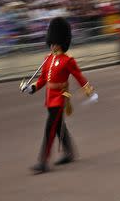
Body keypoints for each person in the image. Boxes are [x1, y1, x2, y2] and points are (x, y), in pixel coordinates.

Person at [22, 17, 97, 174]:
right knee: (58, 127)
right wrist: (32, 88)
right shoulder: (47, 59)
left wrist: (88, 89)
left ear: (60, 41)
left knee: (49, 128)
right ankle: (69, 152)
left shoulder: (67, 60)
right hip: (50, 97)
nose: (52, 44)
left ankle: (43, 161)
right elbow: (43, 79)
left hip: (60, 97)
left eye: (54, 41)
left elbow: (78, 76)